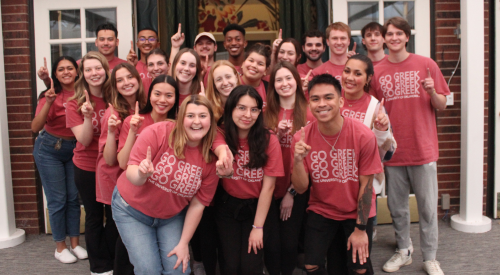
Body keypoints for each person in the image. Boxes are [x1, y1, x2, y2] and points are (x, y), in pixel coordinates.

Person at [112, 95, 228, 275]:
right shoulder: (158, 132)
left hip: (170, 217)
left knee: (179, 269)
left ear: (211, 122)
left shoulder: (211, 158)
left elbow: (199, 204)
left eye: (203, 116)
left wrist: (183, 244)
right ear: (181, 119)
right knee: (148, 270)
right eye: (190, 116)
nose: (196, 121)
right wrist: (142, 174)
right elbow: (131, 171)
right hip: (131, 210)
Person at [370, 17, 449, 275]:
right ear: (384, 38)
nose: (393, 38)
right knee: (397, 207)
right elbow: (372, 109)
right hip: (393, 151)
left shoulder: (426, 65)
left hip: (423, 149)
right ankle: (404, 250)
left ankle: (430, 257)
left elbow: (442, 105)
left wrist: (432, 92)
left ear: (406, 36)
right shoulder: (377, 70)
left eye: (398, 34)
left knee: (427, 208)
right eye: (389, 34)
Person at [291, 74, 383, 275]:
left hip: (355, 212)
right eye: (315, 99)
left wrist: (360, 230)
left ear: (341, 101)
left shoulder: (363, 136)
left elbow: (367, 187)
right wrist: (298, 160)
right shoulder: (301, 138)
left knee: (359, 269)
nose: (322, 104)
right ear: (309, 103)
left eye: (328, 97)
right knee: (311, 265)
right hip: (322, 210)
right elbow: (301, 188)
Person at [214, 85, 284, 275]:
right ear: (231, 109)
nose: (248, 115)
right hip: (228, 206)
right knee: (230, 265)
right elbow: (216, 142)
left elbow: (268, 188)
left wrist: (258, 227)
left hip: (258, 208)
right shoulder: (220, 134)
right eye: (241, 108)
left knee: (250, 266)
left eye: (254, 109)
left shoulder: (269, 139)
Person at [32, 56, 87, 264]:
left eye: (70, 68)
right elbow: (35, 127)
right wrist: (48, 102)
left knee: (73, 199)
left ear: (76, 71)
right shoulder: (48, 95)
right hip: (49, 149)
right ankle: (60, 247)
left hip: (75, 148)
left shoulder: (83, 94)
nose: (66, 72)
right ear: (55, 74)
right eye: (61, 69)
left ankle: (74, 244)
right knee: (57, 200)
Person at [263, 61, 314, 275]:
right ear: (272, 85)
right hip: (268, 188)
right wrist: (277, 137)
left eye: (288, 78)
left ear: (297, 80)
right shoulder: (265, 113)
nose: (284, 83)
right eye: (278, 80)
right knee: (272, 246)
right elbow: (258, 155)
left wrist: (292, 192)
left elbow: (312, 160)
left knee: (289, 244)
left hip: (296, 189)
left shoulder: (310, 113)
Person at [95, 62, 146, 275]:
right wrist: (109, 132)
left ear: (138, 78)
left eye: (130, 77)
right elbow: (109, 160)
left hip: (135, 178)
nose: (126, 83)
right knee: (121, 234)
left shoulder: (146, 105)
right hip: (114, 178)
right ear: (114, 86)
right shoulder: (113, 113)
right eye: (120, 80)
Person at [66, 51, 112, 275]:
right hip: (87, 166)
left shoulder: (116, 97)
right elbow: (83, 140)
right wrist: (86, 115)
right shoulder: (73, 103)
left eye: (98, 68)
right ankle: (100, 267)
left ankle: (116, 262)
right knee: (94, 216)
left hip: (113, 165)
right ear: (82, 74)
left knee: (115, 216)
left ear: (106, 69)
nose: (94, 73)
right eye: (88, 69)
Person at [117, 74, 179, 170]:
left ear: (175, 99)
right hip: (133, 181)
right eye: (157, 94)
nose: (162, 100)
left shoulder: (178, 127)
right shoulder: (132, 121)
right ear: (150, 95)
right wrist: (133, 132)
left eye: (169, 96)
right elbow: (123, 164)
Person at [37, 23, 126, 88]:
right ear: (96, 42)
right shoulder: (80, 64)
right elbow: (61, 87)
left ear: (116, 42)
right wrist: (46, 79)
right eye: (102, 39)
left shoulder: (125, 65)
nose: (106, 43)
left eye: (110, 39)